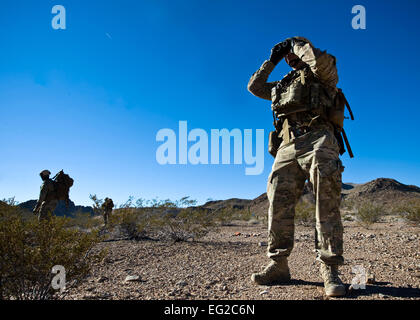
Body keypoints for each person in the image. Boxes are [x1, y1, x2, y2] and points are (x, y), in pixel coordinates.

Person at [248, 37, 346, 297]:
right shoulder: (282, 84)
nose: (291, 57)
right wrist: (272, 60)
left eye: (294, 53)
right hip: (288, 146)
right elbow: (254, 87)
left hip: (319, 138)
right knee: (277, 201)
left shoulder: (324, 74)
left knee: (325, 200)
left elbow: (318, 60)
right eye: (288, 56)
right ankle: (279, 264)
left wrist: (298, 44)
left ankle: (330, 268)